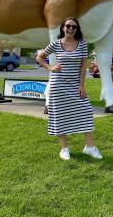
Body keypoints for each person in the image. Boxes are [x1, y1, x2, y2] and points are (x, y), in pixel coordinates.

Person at [36, 17, 102, 160]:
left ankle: (89, 147)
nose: (71, 29)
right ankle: (64, 149)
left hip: (75, 85)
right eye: (68, 26)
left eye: (74, 27)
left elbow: (83, 66)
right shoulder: (55, 44)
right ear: (63, 28)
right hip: (58, 85)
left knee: (86, 111)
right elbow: (40, 57)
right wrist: (50, 67)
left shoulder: (82, 44)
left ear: (77, 29)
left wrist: (82, 85)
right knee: (59, 115)